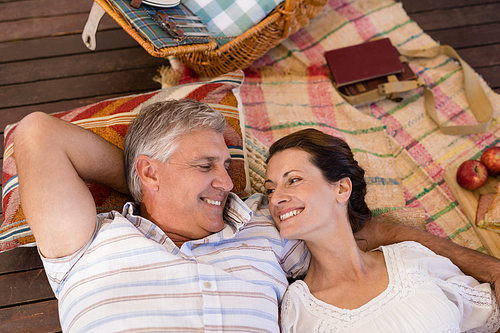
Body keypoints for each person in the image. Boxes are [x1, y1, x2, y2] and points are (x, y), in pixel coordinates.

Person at [13, 99, 500, 332]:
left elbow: (357, 227)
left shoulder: (262, 229)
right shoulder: (89, 240)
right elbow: (37, 133)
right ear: (148, 171)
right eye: (206, 165)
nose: (228, 183)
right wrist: (148, 189)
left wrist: (489, 268)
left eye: (226, 166)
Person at [263, 128, 500, 332]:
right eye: (270, 190)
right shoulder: (297, 310)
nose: (276, 200)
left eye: (293, 180)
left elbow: (490, 318)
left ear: (342, 188)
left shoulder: (410, 259)